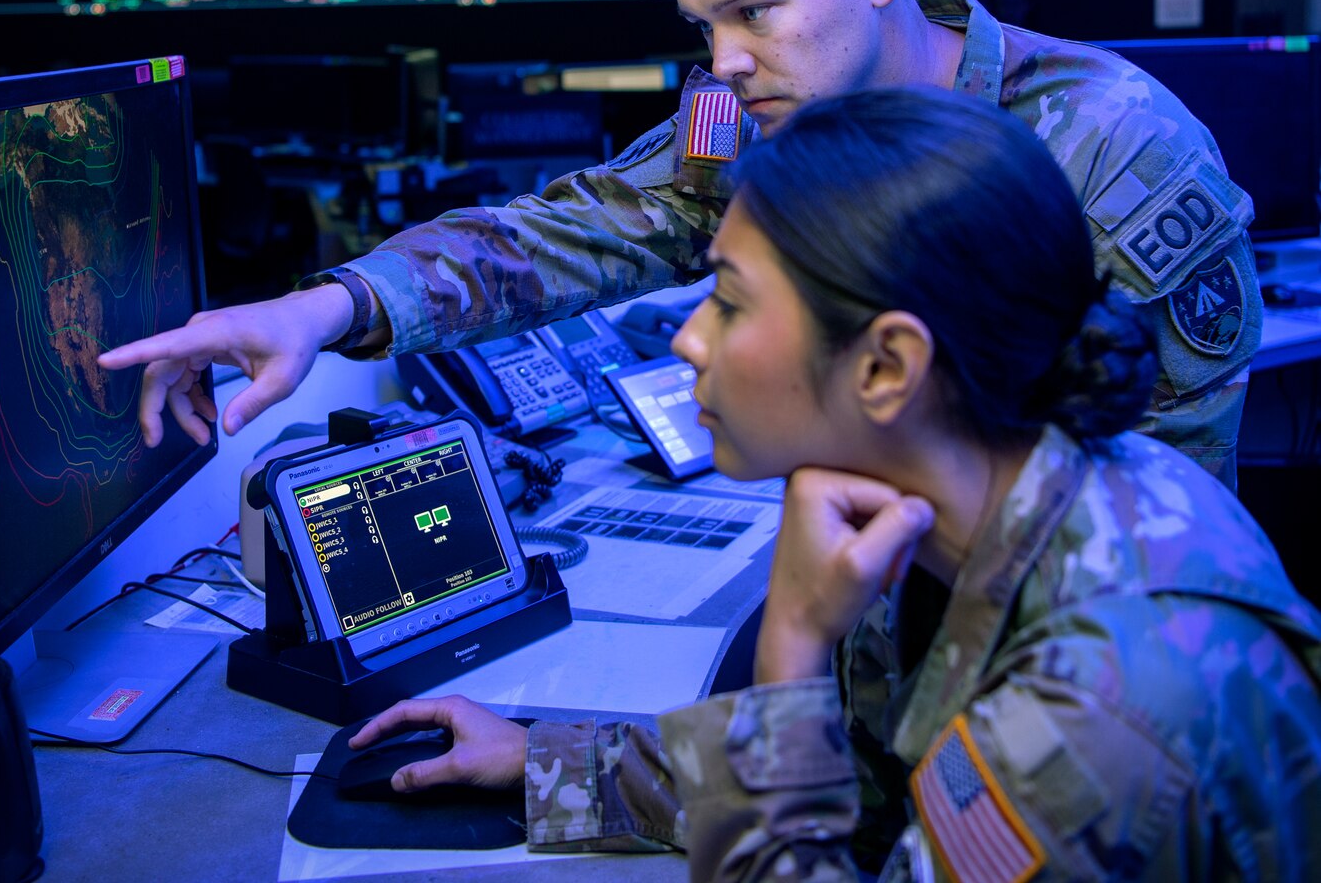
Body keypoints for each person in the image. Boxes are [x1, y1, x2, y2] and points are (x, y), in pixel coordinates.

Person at [98, 0, 1259, 485]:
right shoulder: (749, 116)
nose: (726, 61)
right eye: (704, 28)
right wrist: (324, 311)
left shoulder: (1114, 144)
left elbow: (1167, 498)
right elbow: (580, 224)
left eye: (755, 11)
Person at [347, 87, 1321, 880]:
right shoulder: (957, 500)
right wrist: (547, 764)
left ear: (888, 368)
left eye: (727, 302)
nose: (686, 338)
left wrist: (794, 646)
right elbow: (861, 781)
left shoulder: (1100, 709)